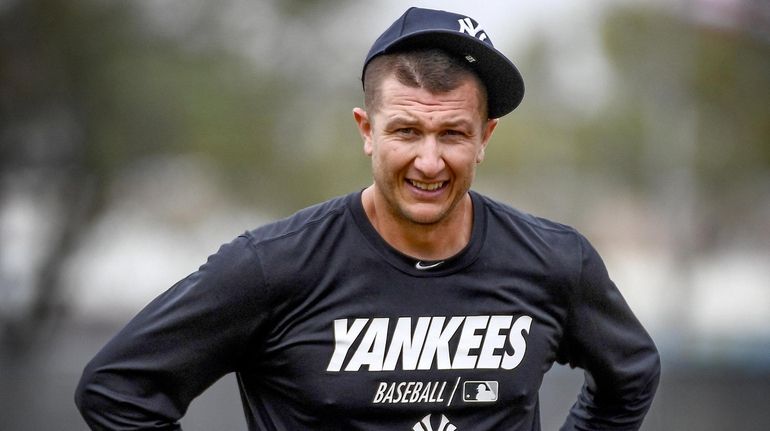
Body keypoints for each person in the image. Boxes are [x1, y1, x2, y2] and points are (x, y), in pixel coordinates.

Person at [75, 7, 660, 430]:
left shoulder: (556, 260)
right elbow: (118, 391)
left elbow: (630, 376)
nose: (429, 161)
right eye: (406, 131)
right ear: (366, 131)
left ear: (484, 137)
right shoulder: (273, 266)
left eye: (453, 134)